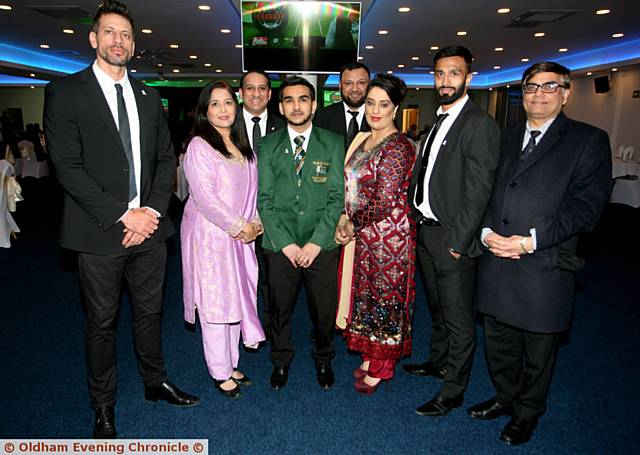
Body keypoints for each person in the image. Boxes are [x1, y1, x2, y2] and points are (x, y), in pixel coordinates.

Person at [43, 0, 199, 439]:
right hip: (98, 232)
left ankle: (155, 382)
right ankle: (104, 405)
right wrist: (123, 215)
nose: (119, 41)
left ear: (133, 45)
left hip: (149, 231)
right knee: (101, 323)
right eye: (110, 32)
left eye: (126, 35)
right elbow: (67, 166)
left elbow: (166, 158)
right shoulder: (66, 92)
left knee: (150, 315)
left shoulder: (150, 95)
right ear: (93, 39)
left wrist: (148, 212)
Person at [469, 62, 612, 446]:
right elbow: (485, 189)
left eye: (550, 87)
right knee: (498, 340)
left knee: (538, 348)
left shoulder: (588, 140)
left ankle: (528, 412)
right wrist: (485, 231)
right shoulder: (506, 135)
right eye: (531, 87)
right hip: (496, 257)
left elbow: (586, 210)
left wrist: (528, 240)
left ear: (566, 93)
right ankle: (504, 397)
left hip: (543, 262)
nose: (538, 94)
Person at [404, 45, 500, 417]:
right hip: (426, 232)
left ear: (469, 78)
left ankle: (454, 390)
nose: (445, 81)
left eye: (454, 74)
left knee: (459, 319)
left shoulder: (479, 124)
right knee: (438, 307)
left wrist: (460, 241)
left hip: (452, 237)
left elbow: (479, 189)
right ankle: (437, 361)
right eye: (440, 74)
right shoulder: (437, 122)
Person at [257, 76, 344, 391]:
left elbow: (337, 198)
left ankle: (324, 358)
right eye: (290, 100)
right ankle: (280, 361)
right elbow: (264, 201)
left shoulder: (333, 143)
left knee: (323, 309)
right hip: (281, 244)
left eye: (303, 99)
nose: (296, 105)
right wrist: (289, 246)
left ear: (314, 104)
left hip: (321, 244)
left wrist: (316, 243)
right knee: (279, 308)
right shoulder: (266, 146)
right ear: (280, 107)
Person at [181, 81, 266, 399]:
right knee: (216, 304)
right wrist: (238, 225)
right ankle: (219, 371)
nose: (222, 109)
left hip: (239, 237)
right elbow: (205, 198)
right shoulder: (199, 146)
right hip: (210, 238)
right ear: (204, 111)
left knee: (237, 298)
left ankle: (230, 363)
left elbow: (251, 193)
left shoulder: (243, 146)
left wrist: (254, 222)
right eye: (214, 104)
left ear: (237, 105)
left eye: (228, 102)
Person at [335, 74, 417, 394]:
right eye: (371, 103)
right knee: (366, 298)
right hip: (364, 235)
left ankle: (382, 367)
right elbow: (351, 187)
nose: (376, 110)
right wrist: (347, 219)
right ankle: (370, 355)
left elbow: (384, 199)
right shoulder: (363, 139)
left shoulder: (398, 146)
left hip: (389, 238)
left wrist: (351, 224)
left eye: (384, 104)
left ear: (395, 108)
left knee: (385, 298)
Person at [237, 69, 286, 340]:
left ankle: (270, 328)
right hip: (237, 221)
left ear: (269, 93)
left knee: (272, 282)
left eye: (262, 88)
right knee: (237, 278)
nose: (256, 93)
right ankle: (241, 324)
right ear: (241, 93)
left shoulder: (283, 127)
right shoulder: (226, 126)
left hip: (274, 220)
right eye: (250, 88)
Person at [314, 61, 371, 150]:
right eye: (348, 83)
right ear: (340, 86)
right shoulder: (322, 117)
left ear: (369, 85)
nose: (355, 89)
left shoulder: (378, 117)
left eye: (361, 83)